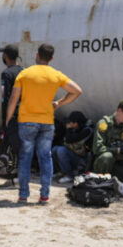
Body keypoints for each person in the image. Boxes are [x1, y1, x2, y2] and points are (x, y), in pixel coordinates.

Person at [6, 43, 83, 204]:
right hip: (47, 122)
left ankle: (23, 195)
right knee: (45, 158)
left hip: (26, 121)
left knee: (25, 157)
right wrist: (59, 103)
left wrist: (8, 117)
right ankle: (44, 195)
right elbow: (77, 90)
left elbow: (13, 99)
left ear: (37, 55)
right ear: (51, 58)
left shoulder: (25, 74)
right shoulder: (56, 75)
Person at [52, 111, 93, 183]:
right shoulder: (76, 128)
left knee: (61, 151)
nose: (69, 124)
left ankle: (69, 175)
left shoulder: (87, 130)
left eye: (71, 122)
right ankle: (62, 171)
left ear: (76, 123)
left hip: (82, 160)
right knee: (55, 149)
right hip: (75, 155)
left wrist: (68, 129)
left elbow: (69, 140)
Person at [0, 44, 24, 131]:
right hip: (25, 115)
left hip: (12, 117)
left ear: (5, 56)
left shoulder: (6, 74)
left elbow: (5, 98)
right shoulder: (24, 71)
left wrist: (5, 120)